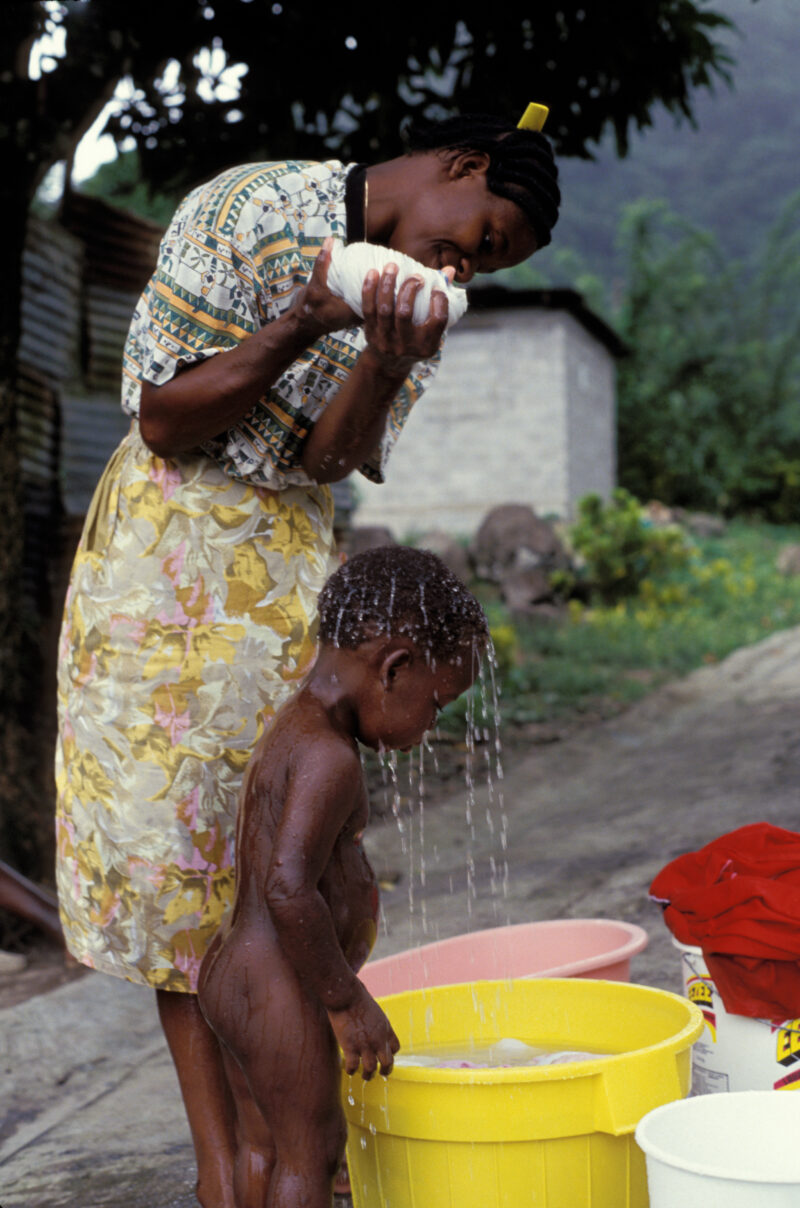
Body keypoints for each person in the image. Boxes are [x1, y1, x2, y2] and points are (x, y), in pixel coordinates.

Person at [54, 111, 559, 1206]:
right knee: (172, 859)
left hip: (282, 571)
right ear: (461, 167)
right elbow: (162, 419)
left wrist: (382, 361)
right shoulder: (247, 212)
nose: (461, 263)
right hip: (165, 562)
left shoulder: (417, 310)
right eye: (478, 233)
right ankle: (224, 1165)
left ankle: (272, 1146)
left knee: (260, 842)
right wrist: (303, 319)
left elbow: (324, 456)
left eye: (487, 264)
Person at [197, 546, 489, 1208]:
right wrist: (345, 999)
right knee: (313, 1154)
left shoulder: (296, 722)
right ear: (394, 670)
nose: (432, 723)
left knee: (263, 1147)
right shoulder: (331, 758)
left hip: (233, 972)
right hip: (280, 986)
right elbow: (287, 887)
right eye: (437, 703)